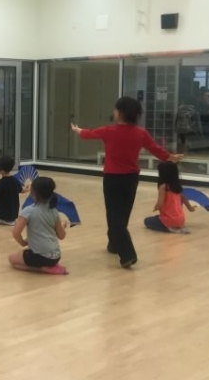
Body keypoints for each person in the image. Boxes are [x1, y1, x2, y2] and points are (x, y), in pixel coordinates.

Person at [71, 96, 182, 268]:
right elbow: (155, 149)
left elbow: (87, 134)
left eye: (116, 109)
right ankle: (114, 244)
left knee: (114, 214)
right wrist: (171, 157)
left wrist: (77, 129)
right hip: (131, 179)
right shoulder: (140, 133)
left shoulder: (109, 131)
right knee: (122, 214)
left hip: (112, 178)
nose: (114, 112)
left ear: (121, 112)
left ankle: (127, 254)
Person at [9, 177, 68, 275]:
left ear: (33, 192)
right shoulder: (54, 211)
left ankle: (43, 269)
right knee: (22, 253)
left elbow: (16, 233)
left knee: (12, 260)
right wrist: (62, 226)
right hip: (56, 256)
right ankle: (51, 265)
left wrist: (23, 242)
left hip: (41, 257)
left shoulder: (28, 211)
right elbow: (61, 236)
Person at [144, 162, 195, 234]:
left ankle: (170, 228)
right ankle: (179, 227)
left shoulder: (163, 187)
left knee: (147, 221)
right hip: (181, 219)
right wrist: (190, 208)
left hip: (169, 220)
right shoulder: (177, 187)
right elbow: (183, 198)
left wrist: (156, 207)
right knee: (157, 217)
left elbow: (160, 204)